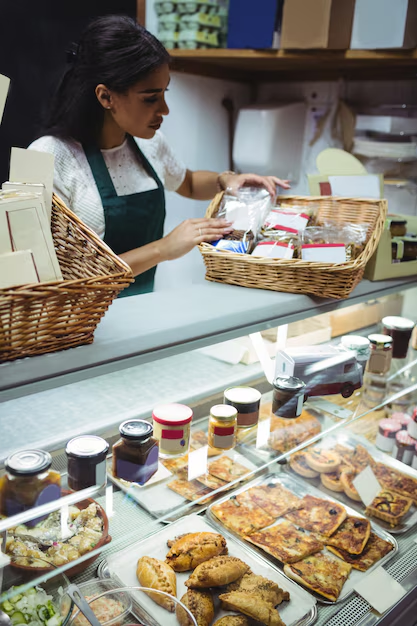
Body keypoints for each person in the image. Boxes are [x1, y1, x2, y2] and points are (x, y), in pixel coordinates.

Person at [30, 15, 289, 295]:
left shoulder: (149, 144)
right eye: (151, 98)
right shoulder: (51, 156)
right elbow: (64, 277)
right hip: (81, 327)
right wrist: (163, 248)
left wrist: (227, 181)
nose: (164, 109)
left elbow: (187, 182)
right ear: (106, 97)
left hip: (145, 309)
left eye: (164, 93)